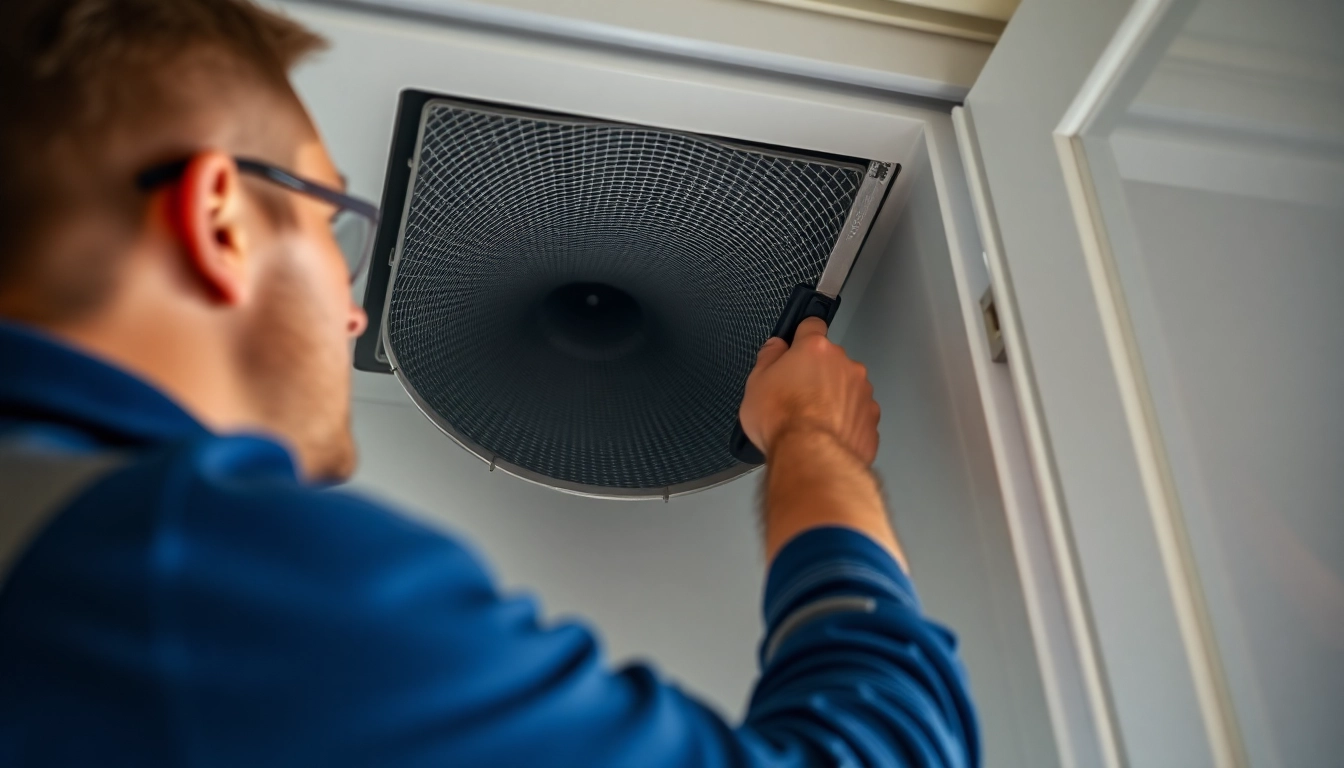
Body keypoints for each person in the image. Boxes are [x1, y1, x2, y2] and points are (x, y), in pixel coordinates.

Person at [0, 0, 979, 765]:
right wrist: (816, 442)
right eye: (327, 219)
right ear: (222, 221)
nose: (352, 314)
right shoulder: (191, 568)